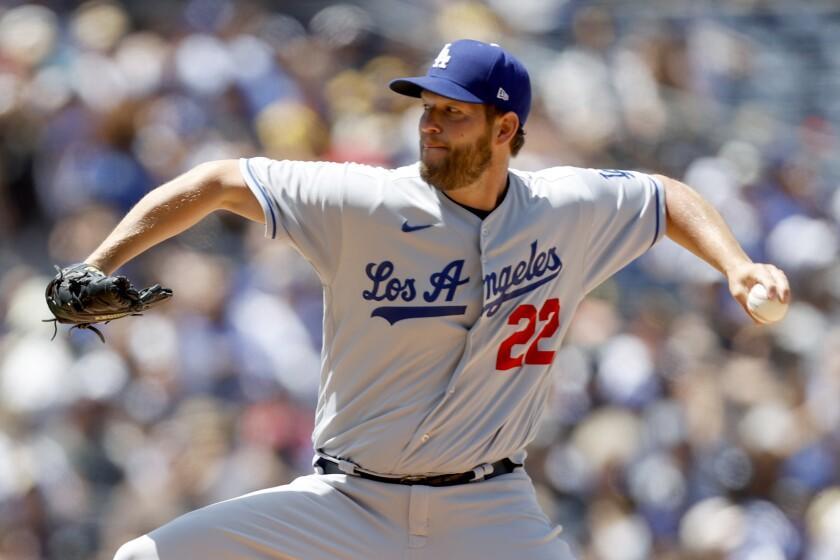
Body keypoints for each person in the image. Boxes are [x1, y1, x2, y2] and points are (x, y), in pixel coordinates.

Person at [87, 39, 790, 559]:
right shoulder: (361, 201)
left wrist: (738, 264)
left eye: (453, 113)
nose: (429, 124)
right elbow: (218, 180)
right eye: (427, 108)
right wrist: (98, 263)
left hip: (489, 509)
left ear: (505, 129)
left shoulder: (560, 205)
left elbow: (664, 196)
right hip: (347, 502)